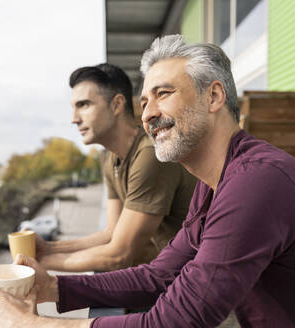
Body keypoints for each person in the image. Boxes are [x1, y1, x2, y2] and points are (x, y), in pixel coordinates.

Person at [0, 35, 295, 327]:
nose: (149, 113)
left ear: (214, 96)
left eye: (163, 94)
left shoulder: (256, 182)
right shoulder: (212, 185)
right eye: (145, 101)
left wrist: (31, 323)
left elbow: (175, 320)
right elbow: (159, 274)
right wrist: (52, 287)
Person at [33, 63, 196, 272]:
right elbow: (111, 232)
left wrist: (38, 263)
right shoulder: (110, 157)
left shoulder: (150, 155)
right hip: (166, 277)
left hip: (194, 282)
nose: (74, 119)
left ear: (117, 105)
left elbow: (119, 254)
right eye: (74, 107)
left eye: (84, 105)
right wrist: (48, 249)